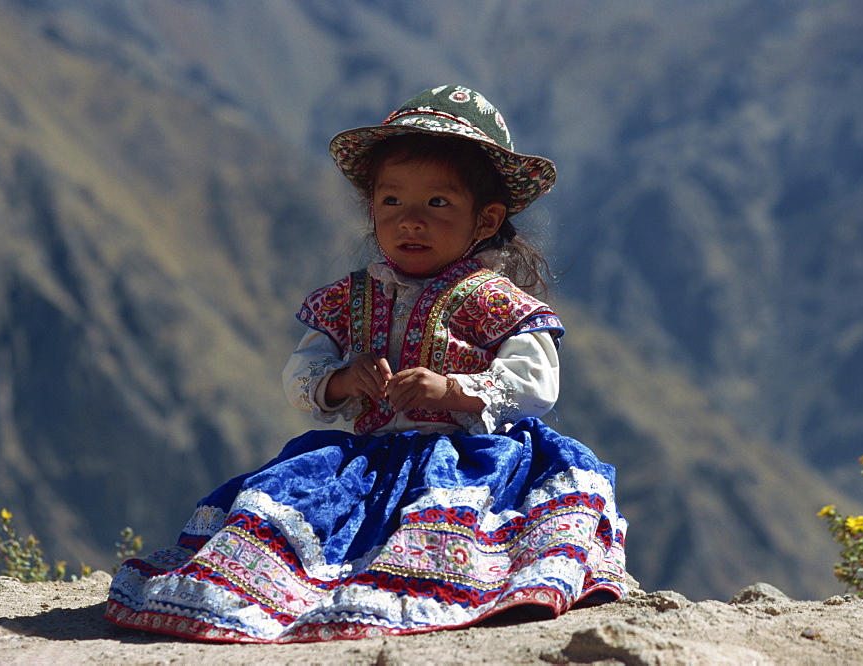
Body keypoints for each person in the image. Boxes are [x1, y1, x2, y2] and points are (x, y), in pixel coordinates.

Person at [105, 84, 627, 643]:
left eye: (438, 203)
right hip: (367, 464)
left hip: (467, 462)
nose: (410, 221)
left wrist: (453, 390)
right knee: (277, 528)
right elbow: (300, 376)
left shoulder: (495, 301)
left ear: (485, 219)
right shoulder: (348, 300)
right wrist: (342, 381)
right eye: (392, 201)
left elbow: (537, 383)